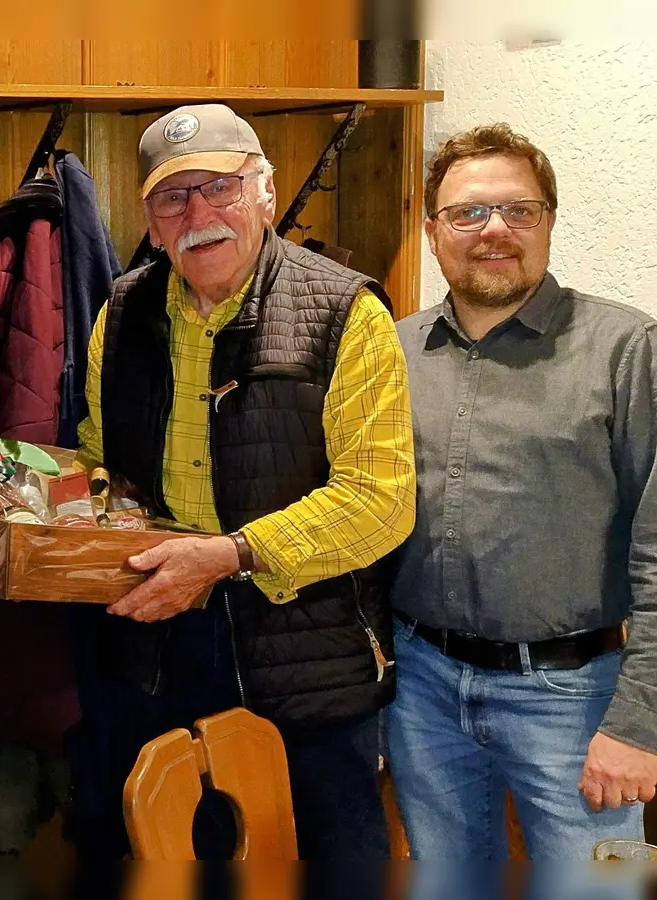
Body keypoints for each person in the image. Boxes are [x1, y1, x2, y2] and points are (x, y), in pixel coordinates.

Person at [68, 103, 416, 867]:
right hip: (154, 650)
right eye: (173, 197)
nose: (198, 214)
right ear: (151, 222)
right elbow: (99, 461)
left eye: (220, 188)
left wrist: (229, 556)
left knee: (325, 870)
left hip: (305, 665)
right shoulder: (120, 316)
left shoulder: (346, 313)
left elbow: (379, 501)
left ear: (266, 190)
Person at [390, 123, 657, 859]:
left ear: (548, 223)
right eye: (468, 213)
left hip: (578, 698)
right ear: (433, 231)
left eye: (519, 210)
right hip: (422, 690)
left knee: (605, 888)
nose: (494, 230)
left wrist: (641, 725)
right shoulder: (395, 350)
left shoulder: (627, 349)